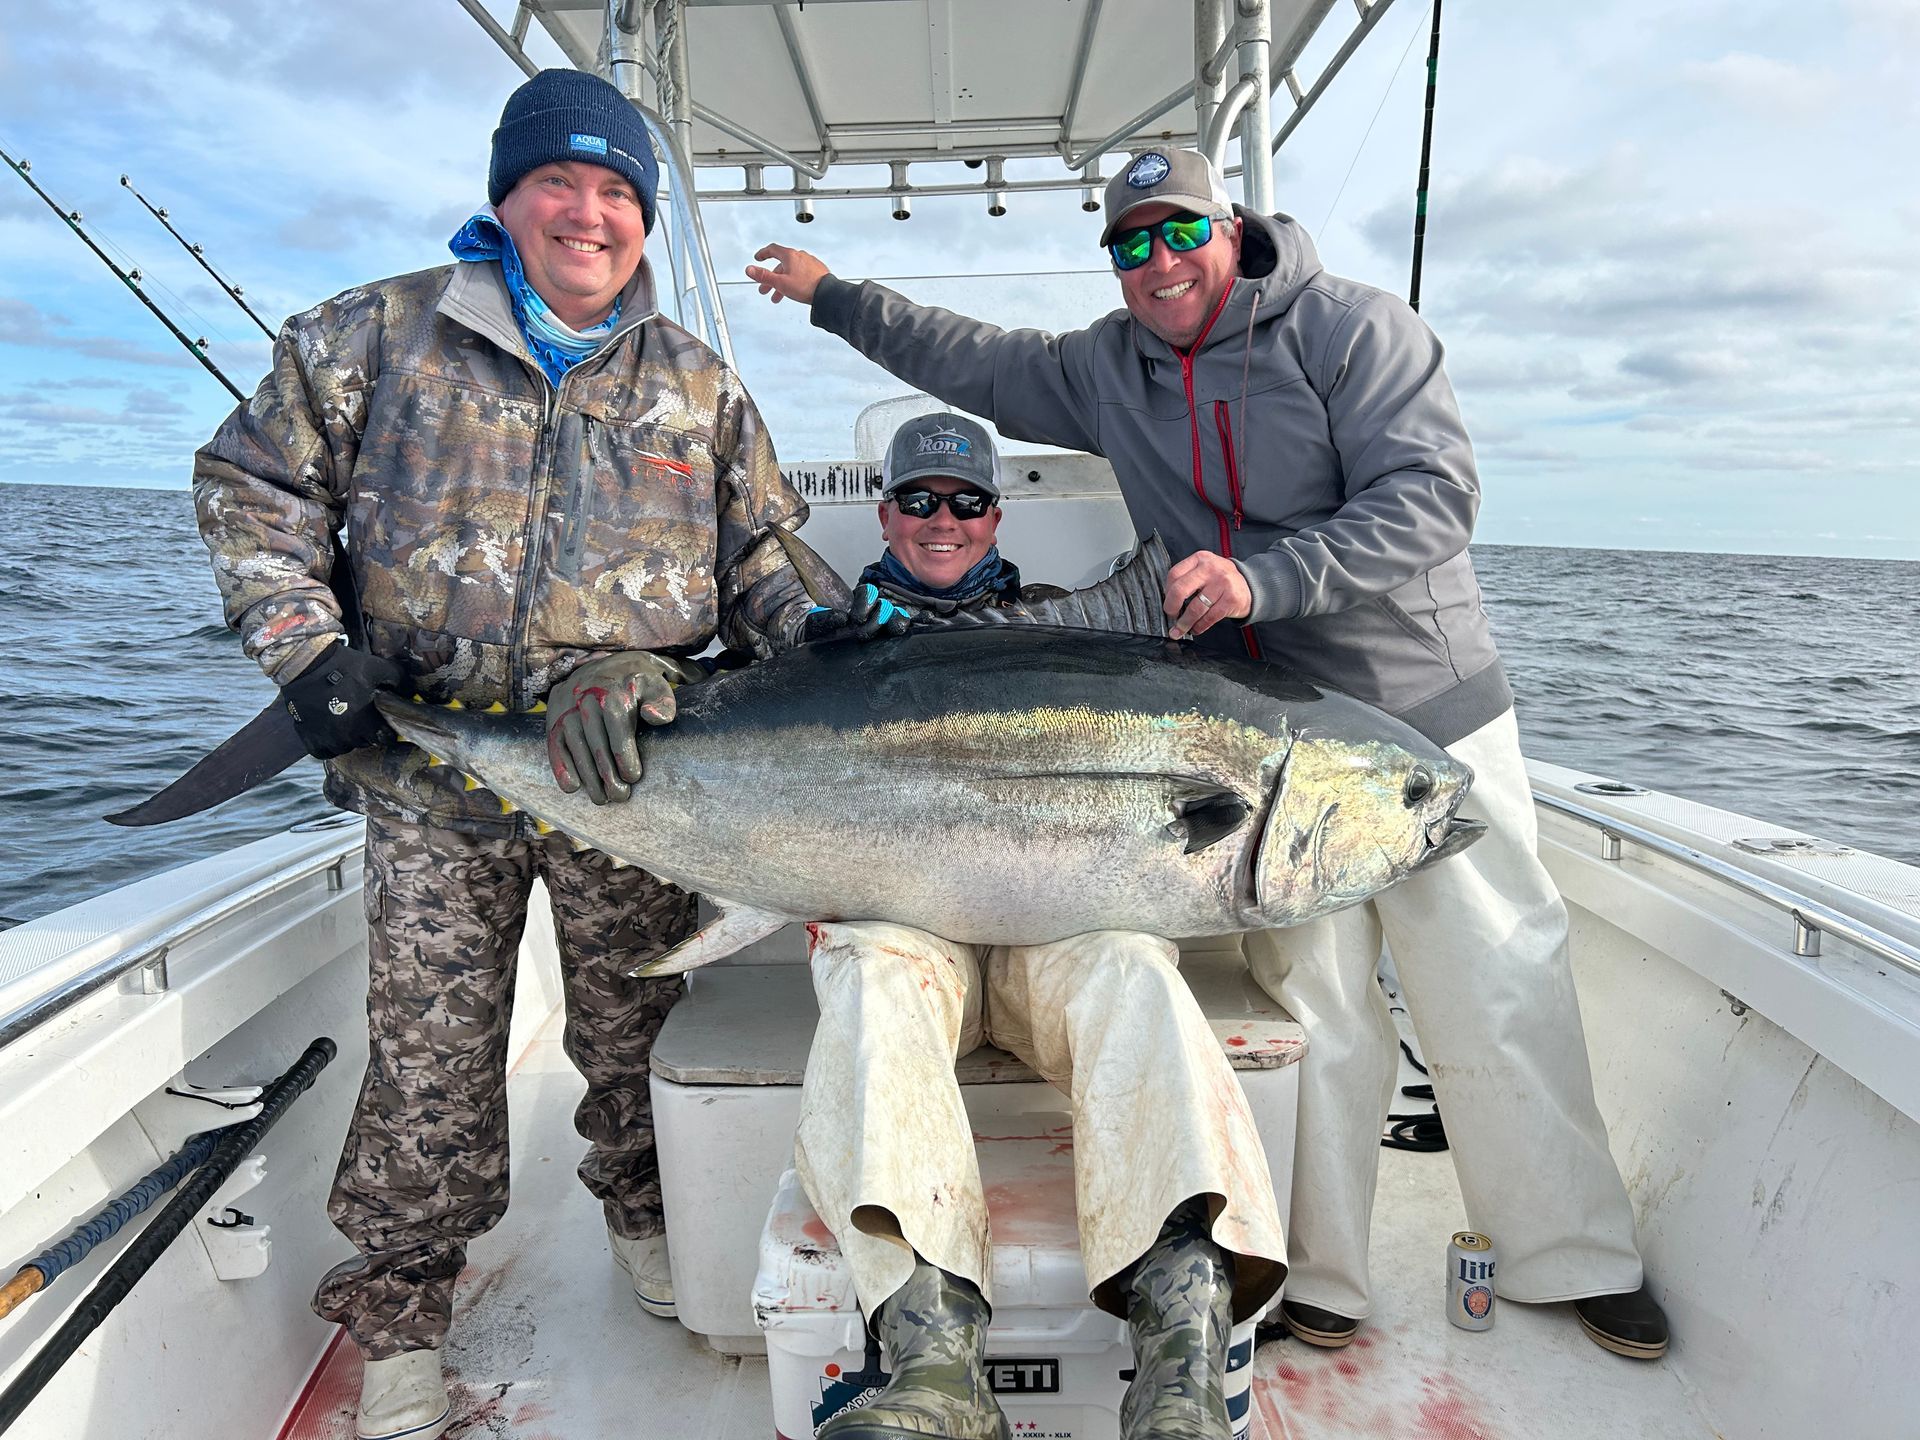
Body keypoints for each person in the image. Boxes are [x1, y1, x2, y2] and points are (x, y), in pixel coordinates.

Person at [746, 147, 1670, 1361]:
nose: (1158, 262)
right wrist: (831, 294)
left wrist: (1266, 578)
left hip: (1419, 710)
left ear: (1231, 226)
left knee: (1494, 980)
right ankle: (1324, 1277)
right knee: (1318, 1006)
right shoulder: (1103, 367)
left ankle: (1573, 1250)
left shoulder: (1351, 332)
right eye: (1130, 245)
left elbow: (1432, 497)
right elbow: (970, 358)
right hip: (1253, 731)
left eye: (1178, 233)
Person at [194, 69, 825, 1440]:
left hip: (630, 784)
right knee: (431, 1057)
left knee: (637, 1023)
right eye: (560, 182)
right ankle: (407, 1316)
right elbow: (252, 485)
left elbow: (770, 573)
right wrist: (308, 652)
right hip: (427, 778)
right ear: (506, 196)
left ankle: (651, 1225)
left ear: (646, 220)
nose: (587, 214)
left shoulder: (697, 386)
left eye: (616, 192)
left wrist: (883, 654)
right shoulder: (376, 334)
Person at [796, 411, 1287, 1440]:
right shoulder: (815, 648)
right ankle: (932, 1365)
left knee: (1137, 970)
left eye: (966, 502)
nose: (944, 521)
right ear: (884, 513)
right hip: (903, 929)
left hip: (1050, 936)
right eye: (920, 500)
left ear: (994, 516)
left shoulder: (1068, 634)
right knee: (873, 980)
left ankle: (1180, 1368)